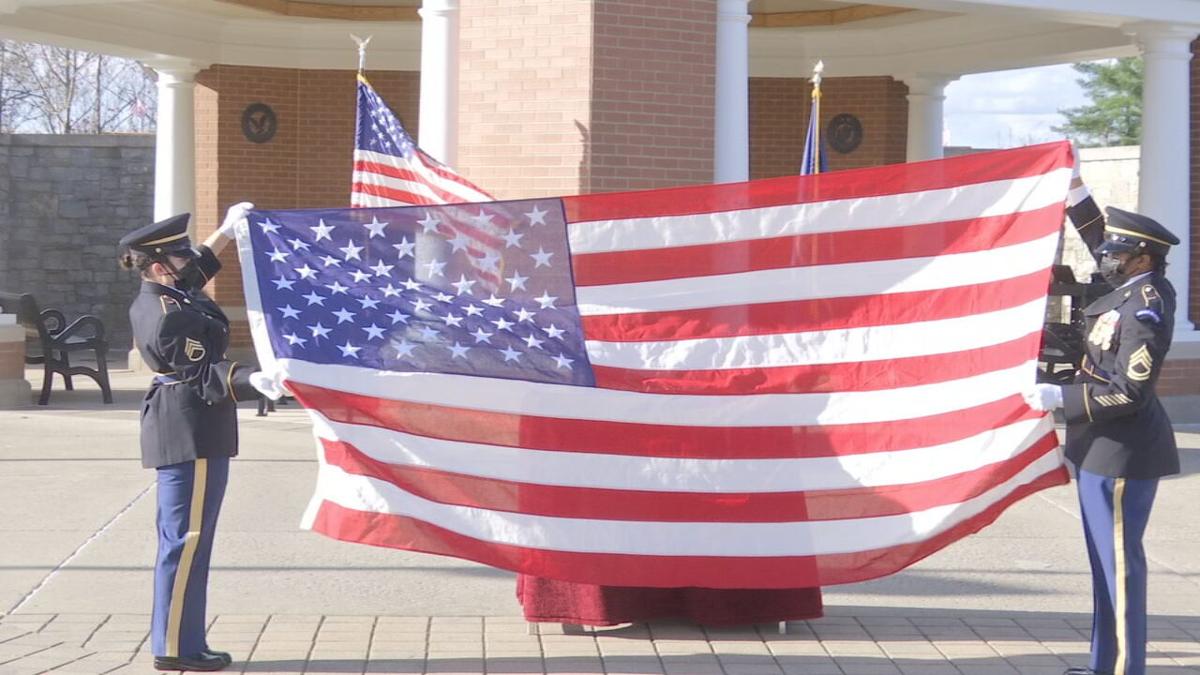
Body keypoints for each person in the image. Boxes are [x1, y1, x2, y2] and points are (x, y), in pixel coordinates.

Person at [1023, 167, 1180, 675]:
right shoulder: (1131, 283)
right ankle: (1102, 665)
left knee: (1120, 569)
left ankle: (1126, 670)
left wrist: (1061, 396)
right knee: (1102, 564)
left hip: (1122, 452)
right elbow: (1096, 234)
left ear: (1143, 258)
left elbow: (1130, 392)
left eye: (1117, 253)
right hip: (1099, 448)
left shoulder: (1146, 307)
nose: (1105, 257)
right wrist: (1075, 186)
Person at [118, 203, 280, 672]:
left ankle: (182, 640)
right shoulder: (164, 314)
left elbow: (199, 269)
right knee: (186, 540)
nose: (188, 263)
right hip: (192, 428)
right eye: (179, 258)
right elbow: (202, 374)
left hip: (189, 425)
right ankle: (175, 647)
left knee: (189, 539)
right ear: (157, 266)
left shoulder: (169, 293)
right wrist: (256, 380)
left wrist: (225, 232)